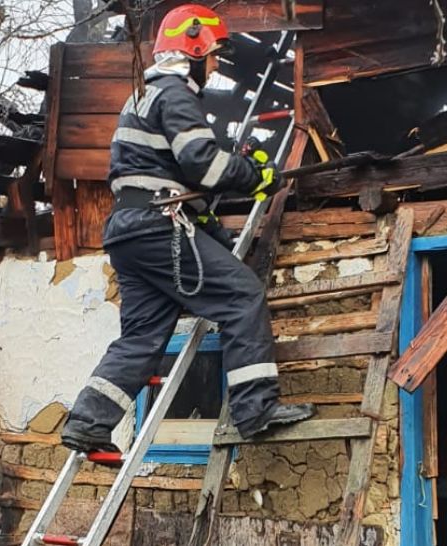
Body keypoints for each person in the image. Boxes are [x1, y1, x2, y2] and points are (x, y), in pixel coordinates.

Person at [60, 4, 315, 453]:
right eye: (213, 54)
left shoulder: (142, 96)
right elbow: (203, 163)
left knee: (142, 336)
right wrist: (255, 175)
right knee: (241, 294)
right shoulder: (175, 94)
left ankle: (87, 422)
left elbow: (176, 179)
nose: (215, 65)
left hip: (129, 230)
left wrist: (216, 231)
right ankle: (254, 409)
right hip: (159, 227)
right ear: (193, 48)